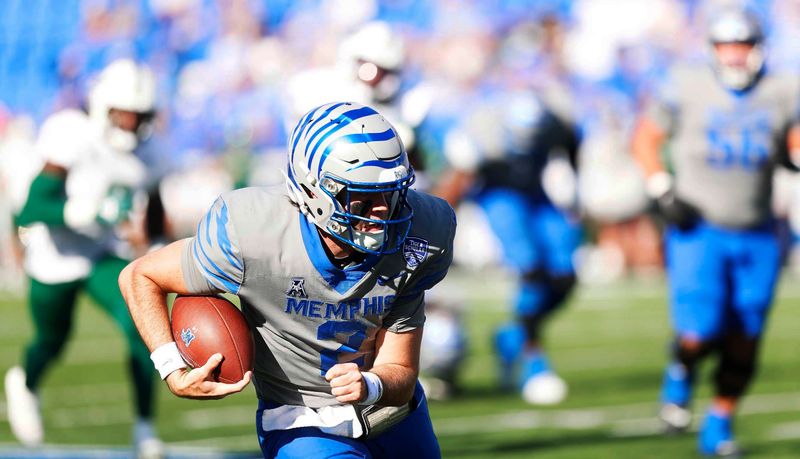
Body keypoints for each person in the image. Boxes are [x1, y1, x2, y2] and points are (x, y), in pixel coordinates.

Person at [119, 102, 456, 459]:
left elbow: (401, 370)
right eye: (364, 196)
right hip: (304, 421)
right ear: (315, 191)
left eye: (391, 193)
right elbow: (141, 275)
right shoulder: (253, 232)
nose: (383, 211)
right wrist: (172, 369)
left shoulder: (423, 231)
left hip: (394, 416)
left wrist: (371, 384)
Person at [632, 8, 800, 456]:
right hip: (698, 228)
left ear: (758, 48)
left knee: (746, 335)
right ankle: (681, 367)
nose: (735, 55)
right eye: (726, 46)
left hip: (759, 231)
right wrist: (662, 188)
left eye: (742, 45)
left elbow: (792, 145)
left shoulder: (783, 90)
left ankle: (720, 422)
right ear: (711, 50)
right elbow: (646, 138)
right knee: (700, 331)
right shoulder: (686, 84)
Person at [3, 59, 165, 457]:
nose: (130, 123)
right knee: (52, 341)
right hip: (54, 255)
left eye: (138, 115)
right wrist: (73, 212)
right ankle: (25, 381)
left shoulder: (152, 153)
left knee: (141, 326)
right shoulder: (71, 134)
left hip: (101, 253)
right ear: (103, 107)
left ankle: (145, 428)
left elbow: (156, 206)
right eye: (124, 113)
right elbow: (30, 210)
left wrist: (158, 244)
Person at [434, 87, 581, 405]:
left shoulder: (554, 123)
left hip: (536, 195)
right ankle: (534, 361)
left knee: (566, 274)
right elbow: (457, 181)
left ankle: (512, 336)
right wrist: (435, 228)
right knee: (530, 270)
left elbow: (571, 144)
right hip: (498, 194)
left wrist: (575, 191)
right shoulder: (483, 133)